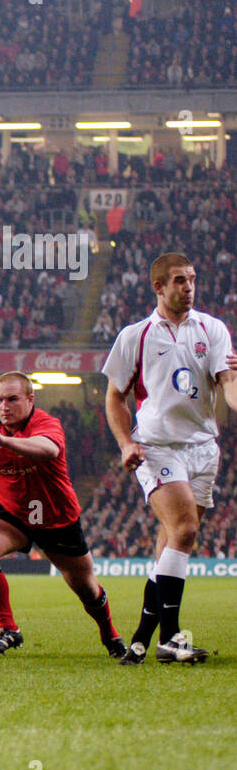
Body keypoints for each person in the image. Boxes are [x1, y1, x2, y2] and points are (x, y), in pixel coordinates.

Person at [0, 374, 125, 658]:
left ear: (30, 400)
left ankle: (110, 635)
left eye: (12, 399)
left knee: (86, 588)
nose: (3, 406)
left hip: (56, 518)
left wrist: (4, 442)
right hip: (13, 513)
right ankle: (9, 628)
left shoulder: (45, 423)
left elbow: (48, 449)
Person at [102, 252, 237, 665]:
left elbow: (228, 384)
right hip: (157, 446)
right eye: (179, 280)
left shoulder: (212, 329)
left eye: (192, 279)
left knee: (171, 544)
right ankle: (172, 636)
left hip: (203, 447)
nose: (188, 287)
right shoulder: (134, 335)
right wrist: (127, 442)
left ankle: (145, 636)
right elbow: (114, 397)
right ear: (158, 287)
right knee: (184, 528)